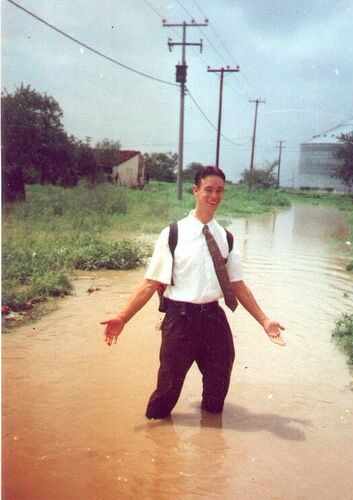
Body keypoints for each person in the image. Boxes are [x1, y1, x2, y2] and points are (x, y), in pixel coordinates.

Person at [101, 166, 286, 419]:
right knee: (168, 387)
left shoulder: (226, 237)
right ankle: (155, 435)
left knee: (219, 380)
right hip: (180, 319)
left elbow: (237, 285)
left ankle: (210, 439)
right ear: (196, 190)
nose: (214, 195)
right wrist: (122, 317)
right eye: (208, 189)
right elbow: (149, 283)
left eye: (219, 190)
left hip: (214, 318)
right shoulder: (173, 234)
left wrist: (265, 320)